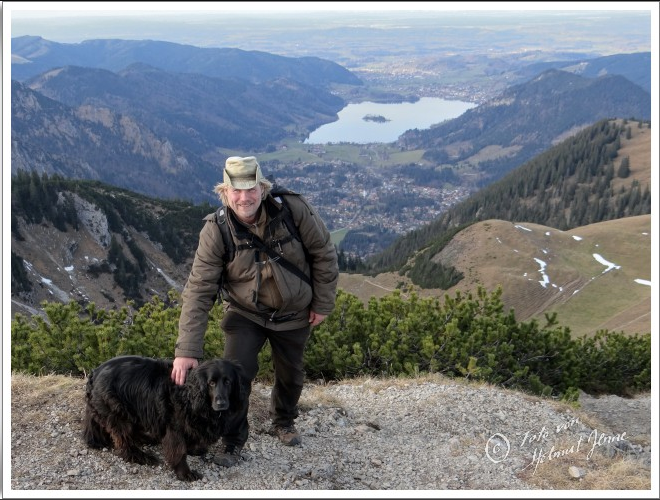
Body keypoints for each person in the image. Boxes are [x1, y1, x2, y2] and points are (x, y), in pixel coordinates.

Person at [171, 156, 339, 467]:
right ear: (225, 192)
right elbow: (199, 289)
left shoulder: (293, 210)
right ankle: (233, 441)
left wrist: (323, 302)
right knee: (235, 377)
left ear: (263, 188)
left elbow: (324, 254)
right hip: (245, 313)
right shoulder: (216, 230)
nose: (244, 198)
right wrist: (187, 349)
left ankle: (283, 421)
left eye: (251, 190)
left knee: (291, 375)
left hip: (293, 313)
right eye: (236, 191)